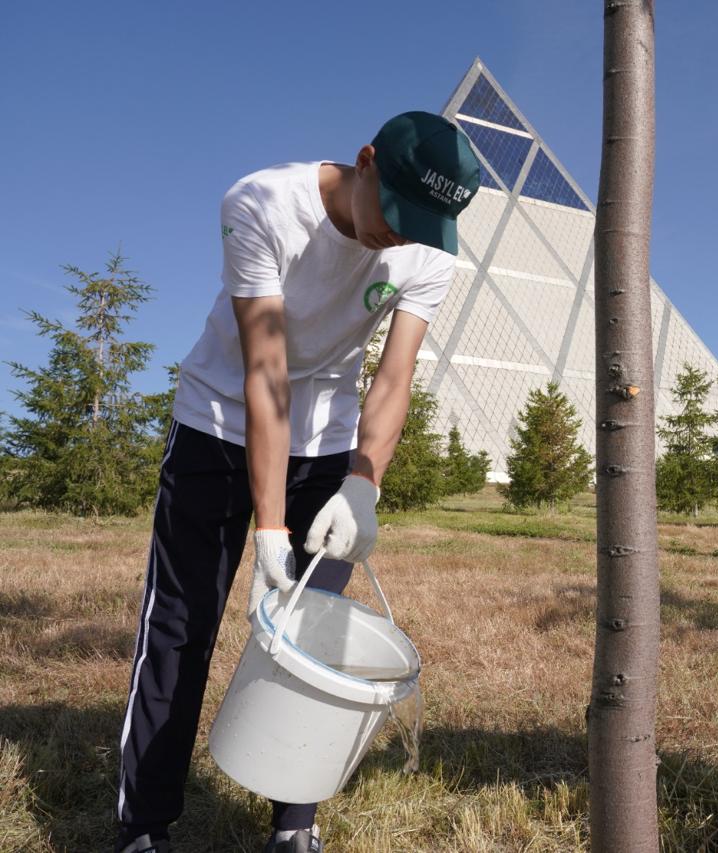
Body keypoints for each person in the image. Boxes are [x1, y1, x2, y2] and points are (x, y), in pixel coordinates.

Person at [114, 112, 480, 853]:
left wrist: (363, 482)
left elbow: (393, 376)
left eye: (423, 227)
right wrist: (270, 530)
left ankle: (294, 825)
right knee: (180, 628)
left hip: (327, 444)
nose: (399, 236)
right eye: (396, 212)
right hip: (216, 428)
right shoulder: (262, 204)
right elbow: (266, 371)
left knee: (312, 635)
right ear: (365, 161)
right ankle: (145, 826)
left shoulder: (427, 253)